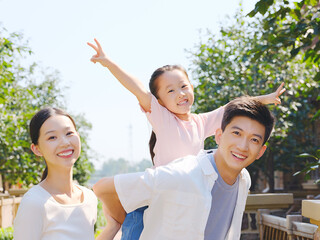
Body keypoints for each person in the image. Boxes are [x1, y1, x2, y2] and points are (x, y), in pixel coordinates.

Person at [88, 38, 285, 239]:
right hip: (155, 195)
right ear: (159, 101)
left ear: (192, 87)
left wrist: (266, 99)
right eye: (170, 90)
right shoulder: (162, 117)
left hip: (186, 199)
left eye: (183, 86)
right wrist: (108, 62)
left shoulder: (201, 122)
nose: (180, 94)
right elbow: (136, 87)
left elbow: (232, 108)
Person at [93, 96, 275, 240]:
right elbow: (103, 187)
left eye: (254, 140)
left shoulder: (243, 179)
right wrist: (118, 222)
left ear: (260, 151)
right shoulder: (182, 174)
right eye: (236, 133)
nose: (243, 146)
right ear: (219, 136)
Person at [13, 107, 97, 240]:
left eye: (69, 133)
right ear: (37, 149)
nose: (65, 142)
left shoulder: (90, 198)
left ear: (78, 137)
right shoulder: (34, 202)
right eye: (52, 137)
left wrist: (112, 226)